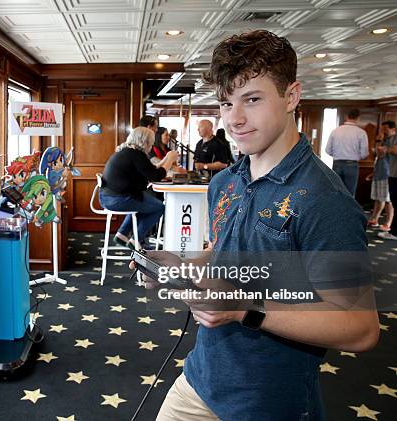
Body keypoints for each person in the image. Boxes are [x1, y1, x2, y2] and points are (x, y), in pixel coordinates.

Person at [153, 29, 379, 421]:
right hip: (201, 378)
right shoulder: (225, 181)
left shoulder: (324, 200)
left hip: (269, 402)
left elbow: (360, 328)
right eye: (226, 104)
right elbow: (226, 250)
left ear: (291, 96)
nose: (234, 119)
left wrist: (245, 308)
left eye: (252, 100)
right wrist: (185, 263)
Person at [100, 127, 178, 249]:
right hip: (119, 199)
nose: (151, 147)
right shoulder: (136, 155)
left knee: (144, 203)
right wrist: (171, 159)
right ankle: (136, 239)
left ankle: (122, 234)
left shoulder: (127, 152)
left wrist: (166, 159)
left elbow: (151, 170)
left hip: (108, 197)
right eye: (151, 144)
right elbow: (156, 176)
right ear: (145, 142)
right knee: (159, 207)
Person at [325, 109, 369, 196]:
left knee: (336, 192)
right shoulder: (361, 133)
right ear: (358, 118)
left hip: (337, 163)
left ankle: (336, 209)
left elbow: (327, 150)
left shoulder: (335, 131)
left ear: (346, 117)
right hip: (352, 165)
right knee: (350, 194)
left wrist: (338, 155)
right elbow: (364, 154)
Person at [366, 130, 393, 231]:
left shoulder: (391, 142)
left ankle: (388, 223)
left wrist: (379, 141)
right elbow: (376, 152)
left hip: (387, 174)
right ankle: (375, 219)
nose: (383, 132)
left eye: (385, 129)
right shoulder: (385, 142)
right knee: (378, 198)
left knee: (387, 200)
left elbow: (380, 153)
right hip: (378, 174)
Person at [379, 120, 397, 240]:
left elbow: (395, 150)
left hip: (396, 174)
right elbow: (380, 154)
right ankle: (394, 231)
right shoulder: (386, 140)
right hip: (391, 174)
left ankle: (395, 232)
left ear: (392, 128)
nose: (383, 131)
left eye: (385, 129)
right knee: (395, 202)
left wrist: (386, 149)